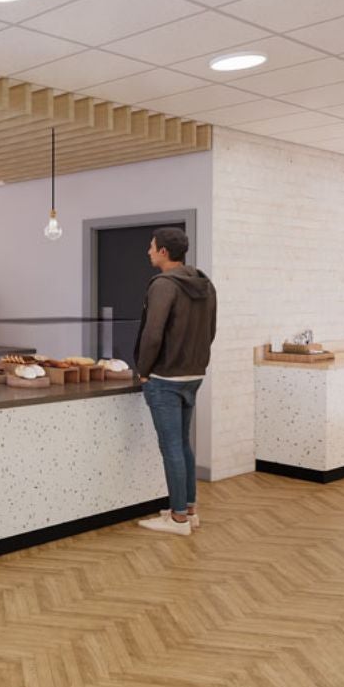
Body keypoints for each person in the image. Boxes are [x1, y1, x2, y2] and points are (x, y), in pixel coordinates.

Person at [133, 227, 217, 536]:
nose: (148, 251)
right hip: (193, 374)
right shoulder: (205, 284)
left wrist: (143, 370)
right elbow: (211, 330)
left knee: (171, 447)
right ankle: (189, 509)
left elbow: (153, 333)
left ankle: (178, 519)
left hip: (165, 377)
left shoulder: (163, 285)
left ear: (164, 252)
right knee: (182, 443)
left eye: (152, 247)